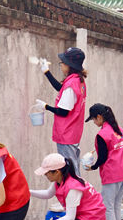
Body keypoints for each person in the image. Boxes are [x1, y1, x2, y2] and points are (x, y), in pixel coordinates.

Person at [84, 104, 123, 220]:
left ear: (99, 117)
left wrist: (92, 167)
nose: (94, 123)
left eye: (94, 119)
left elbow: (102, 157)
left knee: (107, 204)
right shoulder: (120, 131)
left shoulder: (102, 134)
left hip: (113, 173)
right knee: (117, 203)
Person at [35, 47, 87, 175]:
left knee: (71, 172)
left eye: (62, 63)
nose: (61, 65)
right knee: (73, 167)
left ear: (70, 65)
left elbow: (63, 112)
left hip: (66, 134)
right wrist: (46, 71)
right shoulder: (77, 81)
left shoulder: (71, 85)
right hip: (73, 132)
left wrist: (46, 106)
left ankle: (75, 193)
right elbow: (61, 88)